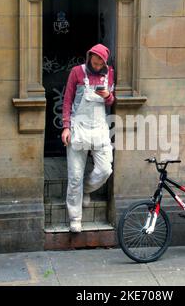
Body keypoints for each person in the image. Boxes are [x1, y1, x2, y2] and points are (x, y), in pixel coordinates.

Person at [61, 44, 115, 233]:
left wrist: (108, 95)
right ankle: (75, 218)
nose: (97, 64)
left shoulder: (109, 74)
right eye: (95, 59)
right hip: (79, 128)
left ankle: (87, 188)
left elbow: (110, 101)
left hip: (99, 128)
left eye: (101, 61)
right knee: (75, 176)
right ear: (89, 56)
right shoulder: (77, 72)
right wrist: (66, 127)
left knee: (105, 169)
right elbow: (67, 100)